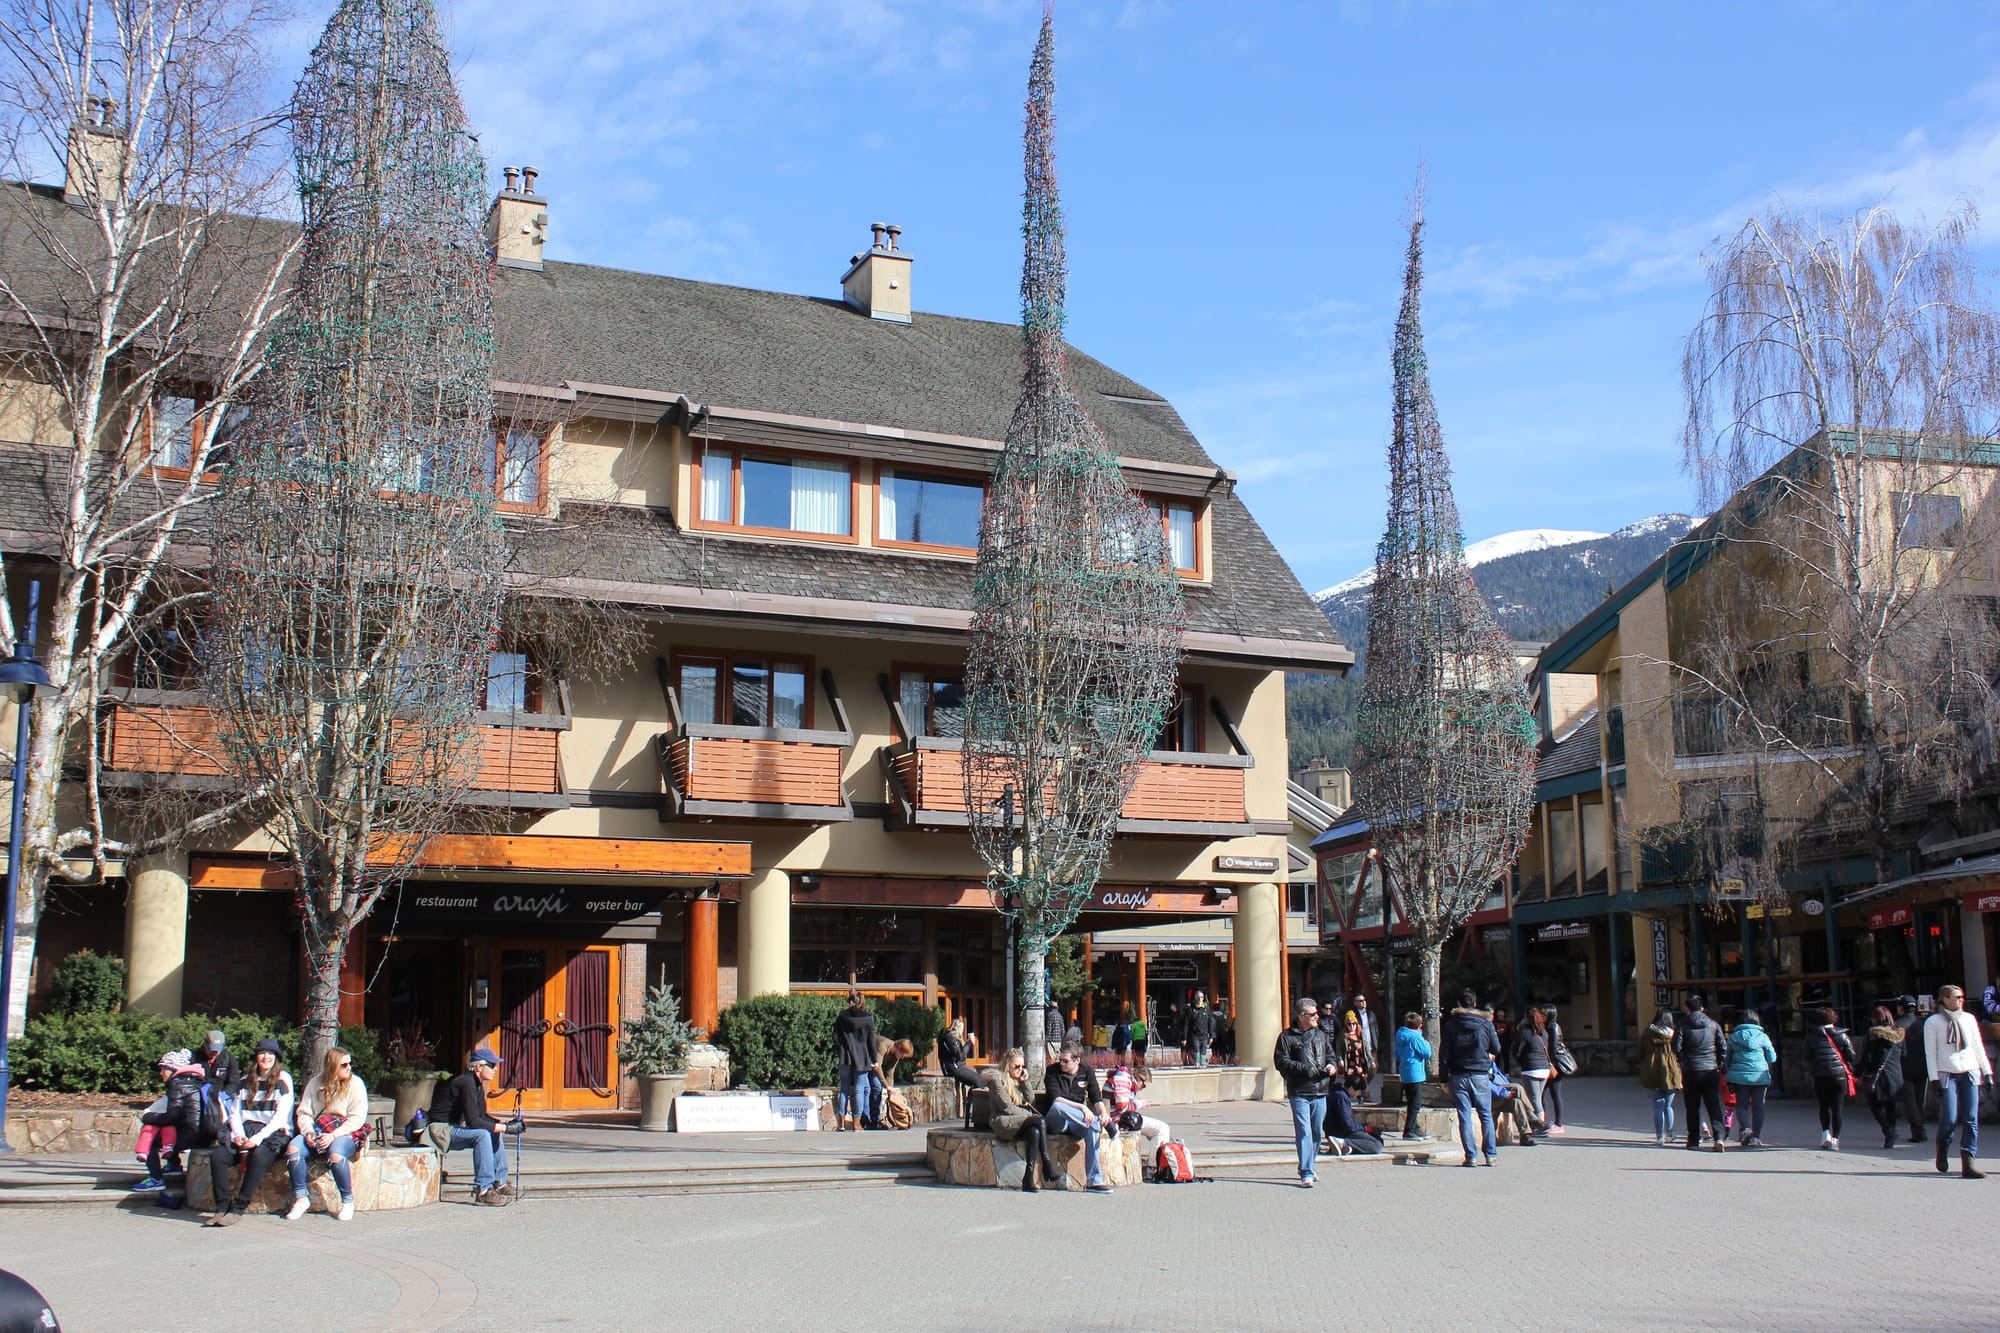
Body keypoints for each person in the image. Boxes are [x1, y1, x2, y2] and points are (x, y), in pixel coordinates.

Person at [203, 1037, 294, 1226]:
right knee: (218, 1157)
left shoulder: (283, 1080)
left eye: (270, 1054)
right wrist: (238, 1134)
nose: (266, 1057)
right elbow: (235, 1112)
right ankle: (222, 1207)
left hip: (273, 1132)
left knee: (259, 1156)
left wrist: (258, 1139)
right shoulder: (245, 1081)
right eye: (262, 1053)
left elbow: (280, 1117)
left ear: (276, 1057)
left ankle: (238, 1208)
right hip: (246, 1129)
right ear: (256, 1057)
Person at [286, 1045, 369, 1222]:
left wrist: (333, 1135)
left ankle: (347, 1201)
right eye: (344, 1065)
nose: (349, 1068)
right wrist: (307, 1132)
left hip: (345, 1130)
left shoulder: (356, 1084)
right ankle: (301, 1199)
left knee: (336, 1154)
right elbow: (304, 1112)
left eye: (349, 1064)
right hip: (318, 1129)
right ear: (332, 1067)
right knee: (294, 1149)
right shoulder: (315, 1083)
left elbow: (357, 1118)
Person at [427, 1047, 513, 1206]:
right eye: (492, 1065)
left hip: (451, 1127)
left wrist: (505, 1125)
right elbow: (473, 1122)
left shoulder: (476, 1083)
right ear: (479, 1067)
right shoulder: (465, 1082)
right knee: (482, 1134)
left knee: (493, 1131)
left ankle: (499, 1183)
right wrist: (505, 1128)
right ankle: (483, 1190)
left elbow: (481, 1116)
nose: (496, 1068)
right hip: (439, 1129)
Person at [1925, 983, 1993, 1178]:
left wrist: (1987, 1072)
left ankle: (1968, 1160)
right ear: (1945, 999)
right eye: (1957, 997)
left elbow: (1978, 1047)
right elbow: (1930, 1052)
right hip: (1947, 1072)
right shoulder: (1934, 1022)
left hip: (1970, 1070)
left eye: (1962, 997)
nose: (1961, 1000)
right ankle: (1942, 1147)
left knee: (1971, 1118)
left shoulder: (1969, 1019)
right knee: (1950, 1118)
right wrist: (1934, 1078)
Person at [1274, 995, 1339, 1186]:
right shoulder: (1287, 1037)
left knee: (1317, 1131)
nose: (1317, 1017)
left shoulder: (1321, 1035)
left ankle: (1309, 1164)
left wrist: (1332, 1067)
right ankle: (1307, 1171)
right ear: (1301, 1016)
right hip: (1299, 1091)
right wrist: (1304, 1068)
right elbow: (1281, 1061)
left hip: (1320, 1090)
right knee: (1304, 1131)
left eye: (1317, 1014)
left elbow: (1331, 1056)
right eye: (1312, 1014)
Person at [1036, 1043, 1113, 1192]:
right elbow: (1056, 1099)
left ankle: (1094, 1182)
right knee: (1059, 1107)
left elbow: (1096, 1097)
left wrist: (1103, 1114)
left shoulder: (1087, 1072)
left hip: (1076, 1122)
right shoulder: (1052, 1071)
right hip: (1057, 1120)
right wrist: (1083, 1107)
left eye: (1065, 1061)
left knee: (1093, 1131)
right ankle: (1100, 1124)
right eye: (1061, 1060)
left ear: (1077, 1060)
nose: (1062, 1063)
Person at [1440, 990, 1502, 1167]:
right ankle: (1491, 1156)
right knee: (1486, 1115)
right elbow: (1497, 1048)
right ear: (1475, 1004)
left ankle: (1471, 1156)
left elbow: (1444, 1054)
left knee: (1464, 1115)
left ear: (1459, 1004)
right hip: (1480, 1074)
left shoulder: (1451, 1024)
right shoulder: (1486, 1023)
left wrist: (1444, 1079)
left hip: (1458, 1074)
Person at [982, 1049, 1053, 1193]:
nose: (1020, 1070)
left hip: (1017, 1121)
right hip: (1002, 1121)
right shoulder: (997, 1081)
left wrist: (1025, 1082)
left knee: (1035, 1132)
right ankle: (1047, 1164)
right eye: (1016, 1067)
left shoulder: (1017, 1081)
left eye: (1022, 1067)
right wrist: (1029, 1116)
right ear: (1007, 1065)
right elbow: (1007, 1107)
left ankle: (1028, 1179)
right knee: (1038, 1121)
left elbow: (1031, 1101)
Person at [133, 1048, 202, 1190]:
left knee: (151, 1139)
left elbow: (173, 1116)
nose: (160, 1073)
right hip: (201, 1132)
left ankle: (156, 1178)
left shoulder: (178, 1086)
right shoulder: (195, 1082)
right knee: (168, 1131)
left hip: (191, 1136)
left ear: (172, 1069)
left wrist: (149, 1117)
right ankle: (174, 1165)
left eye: (163, 1069)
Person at [1674, 995, 1727, 1153]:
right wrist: (1719, 1064)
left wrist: (1683, 1060)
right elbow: (1723, 1047)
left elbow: (1676, 1047)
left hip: (1691, 1069)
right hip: (1711, 1069)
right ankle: (1719, 1137)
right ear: (1702, 1008)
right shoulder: (1713, 1024)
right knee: (1713, 1105)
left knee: (1692, 1106)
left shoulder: (1683, 1025)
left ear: (1687, 1009)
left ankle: (1693, 1139)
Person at [1804, 1007, 1859, 1152]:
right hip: (1839, 1075)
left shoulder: (1811, 1036)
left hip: (1820, 1075)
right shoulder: (1841, 1035)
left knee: (1823, 1107)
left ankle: (1825, 1134)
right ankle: (1836, 1139)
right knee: (1837, 1108)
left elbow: (1806, 1057)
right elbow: (1851, 1055)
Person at [1723, 1007, 1777, 1147]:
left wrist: (1729, 1071)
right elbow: (1772, 1057)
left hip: (1740, 1076)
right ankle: (1756, 1137)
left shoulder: (1734, 1036)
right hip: (1760, 1075)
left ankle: (1746, 1128)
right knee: (1758, 1107)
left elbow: (1727, 1059)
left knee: (1741, 1105)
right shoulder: (1763, 1037)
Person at [1859, 1005, 1908, 1151]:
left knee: (1874, 1105)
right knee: (1890, 1105)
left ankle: (1889, 1131)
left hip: (1878, 1074)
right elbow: (1904, 1054)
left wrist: (1856, 1073)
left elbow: (1865, 1056)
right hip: (1895, 1074)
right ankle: (1890, 1134)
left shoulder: (1874, 1034)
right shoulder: (1899, 1034)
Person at [832, 990, 877, 1132]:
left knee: (844, 1089)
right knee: (859, 1090)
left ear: (851, 1002)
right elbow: (871, 1041)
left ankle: (841, 1123)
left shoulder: (842, 1017)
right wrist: (874, 1059)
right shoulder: (868, 1018)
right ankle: (857, 1124)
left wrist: (842, 1048)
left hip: (845, 1057)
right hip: (862, 1057)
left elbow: (835, 1036)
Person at [1105, 1062, 1170, 1160]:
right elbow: (1122, 1107)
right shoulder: (1122, 1079)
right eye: (1143, 1086)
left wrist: (1136, 1103)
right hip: (1116, 1120)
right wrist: (1139, 1104)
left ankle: (1154, 1164)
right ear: (1139, 1077)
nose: (1141, 1089)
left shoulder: (1127, 1080)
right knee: (1162, 1128)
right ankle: (1153, 1166)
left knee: (1161, 1128)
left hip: (1119, 1117)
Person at [1639, 1008, 1681, 1146]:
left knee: (1657, 1106)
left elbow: (1641, 1051)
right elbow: (1679, 1050)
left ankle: (1659, 1137)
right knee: (1668, 1106)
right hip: (1671, 1070)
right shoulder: (1674, 1034)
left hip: (1653, 1069)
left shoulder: (1648, 1032)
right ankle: (1670, 1134)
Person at [1510, 1006, 1553, 1131]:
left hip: (1531, 1069)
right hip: (1544, 1069)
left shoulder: (1524, 1032)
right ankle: (1537, 1124)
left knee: (1533, 1100)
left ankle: (1540, 1126)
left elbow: (1517, 1050)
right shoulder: (1544, 1032)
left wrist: (1522, 1062)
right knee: (1537, 1098)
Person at [1393, 1011, 1433, 1140]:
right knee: (1416, 1104)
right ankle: (1409, 1131)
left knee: (1411, 1101)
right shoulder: (1416, 1037)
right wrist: (1424, 1040)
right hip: (1415, 1073)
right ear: (1419, 1026)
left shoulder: (1400, 1035)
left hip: (1405, 1072)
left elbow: (1397, 1054)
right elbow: (1427, 1053)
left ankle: (1415, 1128)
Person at [1894, 996, 1928, 1143]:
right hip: (1923, 1065)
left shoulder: (1897, 1026)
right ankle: (1920, 1128)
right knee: (1919, 1099)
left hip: (1904, 1066)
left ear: (1901, 1008)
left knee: (1910, 1100)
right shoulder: (1923, 1024)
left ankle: (1918, 1131)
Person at [1486, 1063, 1540, 1149]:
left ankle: (1525, 1135)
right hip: (1486, 1098)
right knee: (1517, 1087)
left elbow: (1503, 1080)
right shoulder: (1477, 1060)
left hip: (1498, 1096)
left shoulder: (1491, 1063)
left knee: (1517, 1102)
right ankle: (1531, 1116)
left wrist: (1495, 1079)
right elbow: (1483, 1082)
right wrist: (1503, 1092)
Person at [869, 1035, 916, 1128]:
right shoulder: (883, 1045)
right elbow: (877, 1067)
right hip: (867, 1064)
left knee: (878, 1087)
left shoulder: (895, 1057)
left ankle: (875, 1119)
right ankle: (872, 1120)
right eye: (902, 1055)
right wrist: (887, 1086)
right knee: (877, 1086)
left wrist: (892, 1093)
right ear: (898, 1048)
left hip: (874, 1067)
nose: (902, 1058)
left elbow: (890, 1074)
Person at [1324, 1084, 1385, 1155]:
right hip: (1341, 1132)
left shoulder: (1338, 1094)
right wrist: (1366, 1129)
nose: (1359, 1095)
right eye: (1359, 1092)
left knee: (1378, 1139)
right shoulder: (1341, 1097)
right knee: (1377, 1144)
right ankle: (1342, 1143)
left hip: (1338, 1131)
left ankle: (1346, 1148)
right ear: (1351, 1088)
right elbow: (1348, 1124)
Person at [1541, 1004, 1569, 1133]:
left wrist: (1550, 1064)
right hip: (1552, 1065)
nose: (1542, 1016)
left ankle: (1557, 1124)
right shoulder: (1549, 1027)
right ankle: (1548, 1122)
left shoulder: (1553, 1028)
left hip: (1554, 1066)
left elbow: (1552, 1049)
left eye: (1544, 1013)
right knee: (1545, 1093)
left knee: (1551, 1093)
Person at [936, 1018, 982, 1093]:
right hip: (953, 1068)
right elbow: (960, 1056)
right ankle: (971, 1101)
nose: (962, 1032)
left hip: (957, 1067)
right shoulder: (949, 1039)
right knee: (980, 1081)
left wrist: (966, 1044)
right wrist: (969, 1043)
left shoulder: (952, 1039)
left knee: (981, 1080)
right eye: (962, 1029)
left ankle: (971, 1099)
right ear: (959, 1029)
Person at [195, 1028, 243, 1100]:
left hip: (220, 1097)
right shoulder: (195, 1058)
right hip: (199, 1097)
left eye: (217, 1050)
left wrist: (224, 1094)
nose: (214, 1052)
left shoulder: (228, 1058)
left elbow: (235, 1082)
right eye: (211, 1049)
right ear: (205, 1044)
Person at [1340, 1008, 1378, 1098]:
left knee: (1362, 1079)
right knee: (1350, 1080)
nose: (1352, 1026)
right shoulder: (1343, 1035)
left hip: (1360, 1060)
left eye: (1353, 1024)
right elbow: (1339, 1049)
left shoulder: (1361, 1033)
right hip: (1349, 1061)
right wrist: (1340, 1059)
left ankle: (1362, 1096)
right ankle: (1348, 1095)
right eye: (1349, 1024)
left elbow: (1366, 1048)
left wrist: (1371, 1060)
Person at [1351, 992, 1381, 1098]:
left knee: (1373, 1068)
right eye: (1360, 1001)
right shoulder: (1353, 1015)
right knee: (1361, 1070)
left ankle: (1362, 1087)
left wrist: (1375, 1041)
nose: (1363, 1002)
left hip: (1371, 1045)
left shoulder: (1370, 1014)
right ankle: (1364, 1093)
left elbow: (1375, 1028)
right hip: (1359, 1047)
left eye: (1364, 1000)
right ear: (1355, 1003)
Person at [1186, 990, 1215, 1067]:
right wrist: (1184, 1037)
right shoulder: (1191, 1009)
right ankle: (1197, 1062)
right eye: (1198, 997)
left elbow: (1210, 1022)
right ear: (1195, 998)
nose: (1200, 999)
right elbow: (1186, 1024)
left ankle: (1203, 1063)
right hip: (1194, 1034)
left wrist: (1212, 1035)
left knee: (1204, 1050)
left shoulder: (1206, 1009)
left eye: (1201, 997)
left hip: (1204, 1034)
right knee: (1196, 1049)